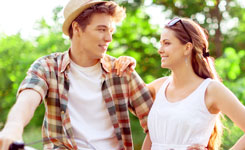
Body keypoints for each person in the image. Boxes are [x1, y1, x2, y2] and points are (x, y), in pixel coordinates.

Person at [0, 0, 153, 150]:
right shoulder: (48, 67)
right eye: (101, 29)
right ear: (77, 28)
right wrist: (13, 127)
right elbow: (27, 98)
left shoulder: (120, 71)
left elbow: (157, 122)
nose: (109, 38)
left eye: (110, 31)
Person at [114, 18, 245, 150]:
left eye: (167, 43)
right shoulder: (158, 87)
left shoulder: (211, 90)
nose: (160, 50)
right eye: (160, 44)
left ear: (187, 48)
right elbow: (124, 96)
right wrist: (127, 63)